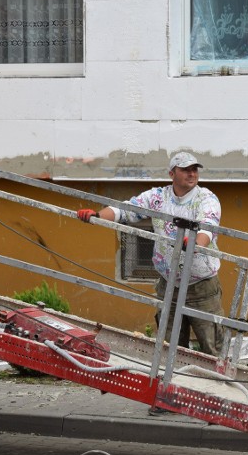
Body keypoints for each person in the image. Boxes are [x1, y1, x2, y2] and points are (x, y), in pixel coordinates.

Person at [77, 152, 224, 356]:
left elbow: (208, 225)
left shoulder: (206, 198)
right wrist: (97, 216)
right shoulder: (157, 197)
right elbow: (126, 210)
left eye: (194, 169)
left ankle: (217, 385)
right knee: (170, 345)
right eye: (185, 170)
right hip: (168, 282)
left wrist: (195, 242)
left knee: (211, 346)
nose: (192, 174)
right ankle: (173, 383)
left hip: (201, 285)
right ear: (172, 173)